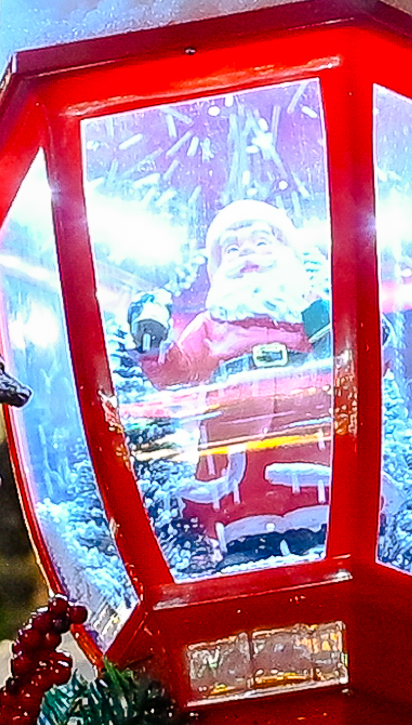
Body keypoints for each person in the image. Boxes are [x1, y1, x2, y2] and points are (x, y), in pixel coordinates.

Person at [131, 198, 334, 569]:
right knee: (244, 513)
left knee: (314, 504)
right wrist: (154, 342)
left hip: (308, 438)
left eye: (261, 243)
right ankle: (246, 552)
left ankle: (315, 545)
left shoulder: (310, 312)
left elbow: (345, 355)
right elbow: (179, 371)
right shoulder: (213, 326)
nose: (248, 256)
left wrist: (323, 315)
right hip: (235, 447)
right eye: (233, 249)